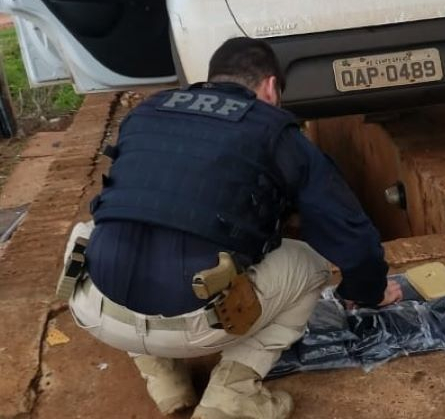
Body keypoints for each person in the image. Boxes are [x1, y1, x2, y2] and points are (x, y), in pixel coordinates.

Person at [60, 37, 401, 419]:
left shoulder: (147, 112)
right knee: (310, 263)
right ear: (270, 87)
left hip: (98, 312)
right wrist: (368, 290)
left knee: (106, 231)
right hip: (198, 326)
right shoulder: (274, 131)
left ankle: (166, 381)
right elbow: (349, 234)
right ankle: (232, 395)